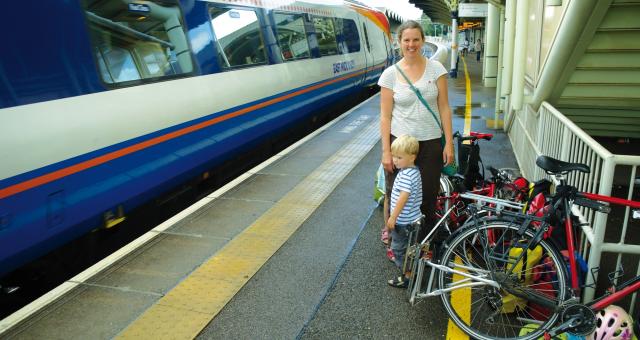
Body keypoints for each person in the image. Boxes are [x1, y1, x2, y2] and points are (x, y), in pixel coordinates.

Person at [378, 20, 454, 273]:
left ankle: (423, 243)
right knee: (396, 192)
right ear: (399, 43)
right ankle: (396, 240)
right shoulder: (390, 74)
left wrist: (449, 143)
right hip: (400, 145)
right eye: (406, 40)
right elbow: (385, 117)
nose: (411, 45)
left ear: (423, 41)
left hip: (431, 143)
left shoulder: (436, 69)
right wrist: (386, 152)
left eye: (415, 39)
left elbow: (444, 106)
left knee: (428, 196)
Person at [384, 135, 422, 288]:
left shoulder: (406, 175)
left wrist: (393, 217)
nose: (395, 160)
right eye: (394, 156)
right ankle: (411, 271)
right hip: (412, 219)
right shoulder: (414, 171)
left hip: (403, 222)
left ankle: (407, 277)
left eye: (399, 157)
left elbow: (403, 198)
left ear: (412, 157)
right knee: (410, 247)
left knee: (398, 249)